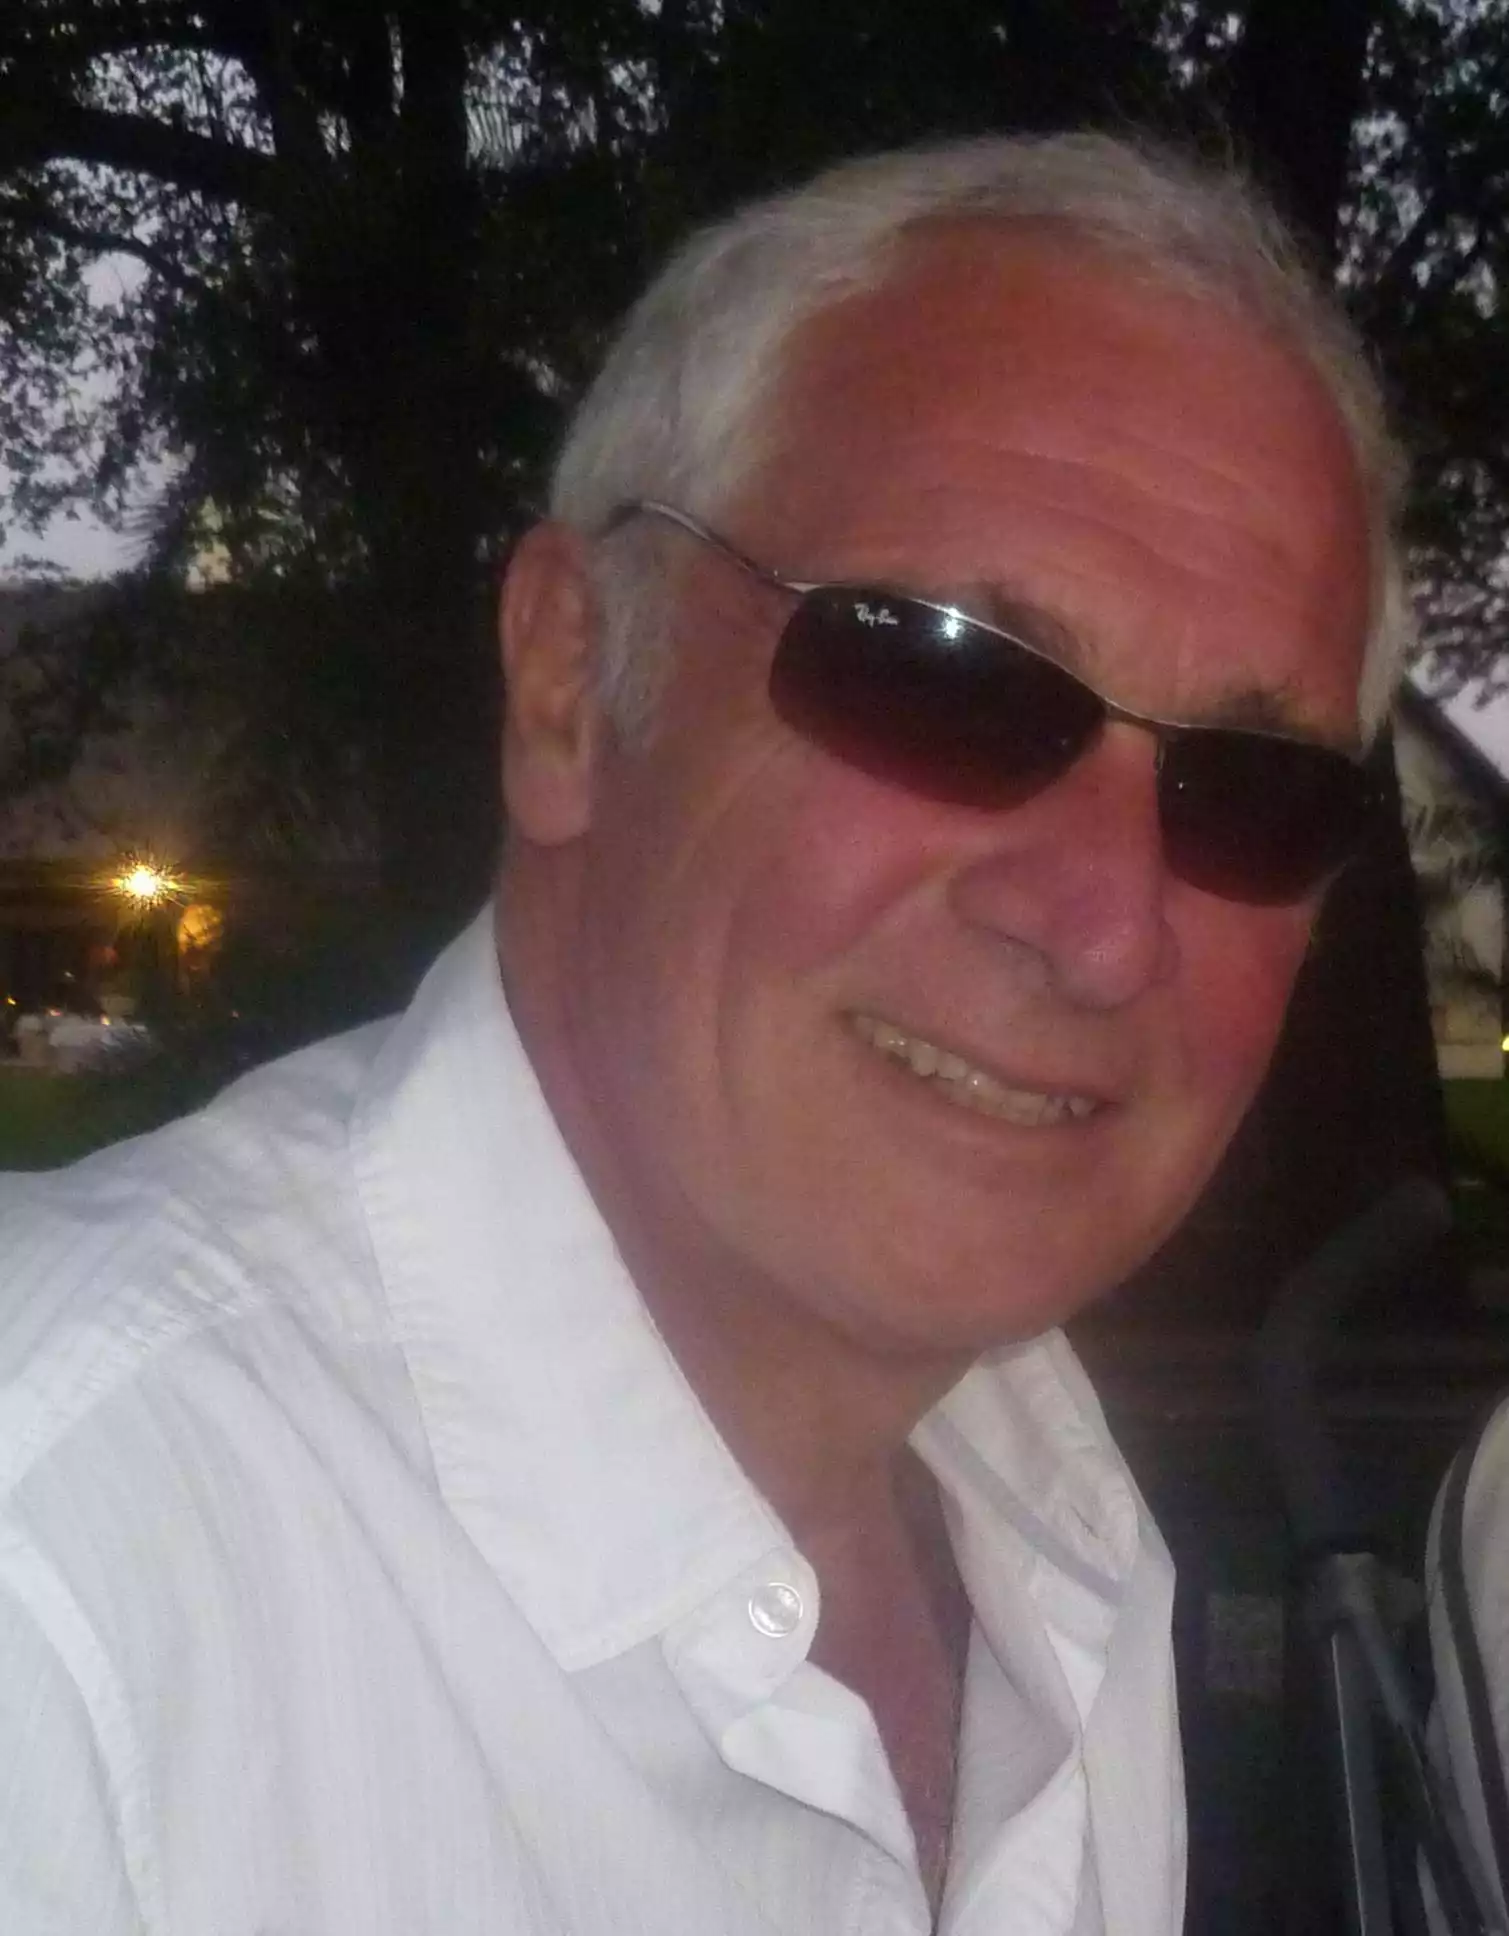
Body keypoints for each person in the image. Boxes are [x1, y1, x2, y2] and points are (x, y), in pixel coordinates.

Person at [0, 131, 1404, 1935]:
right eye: (948, 674)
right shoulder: (67, 1584)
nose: (1107, 925)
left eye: (1256, 795)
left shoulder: (1060, 1521)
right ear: (571, 687)